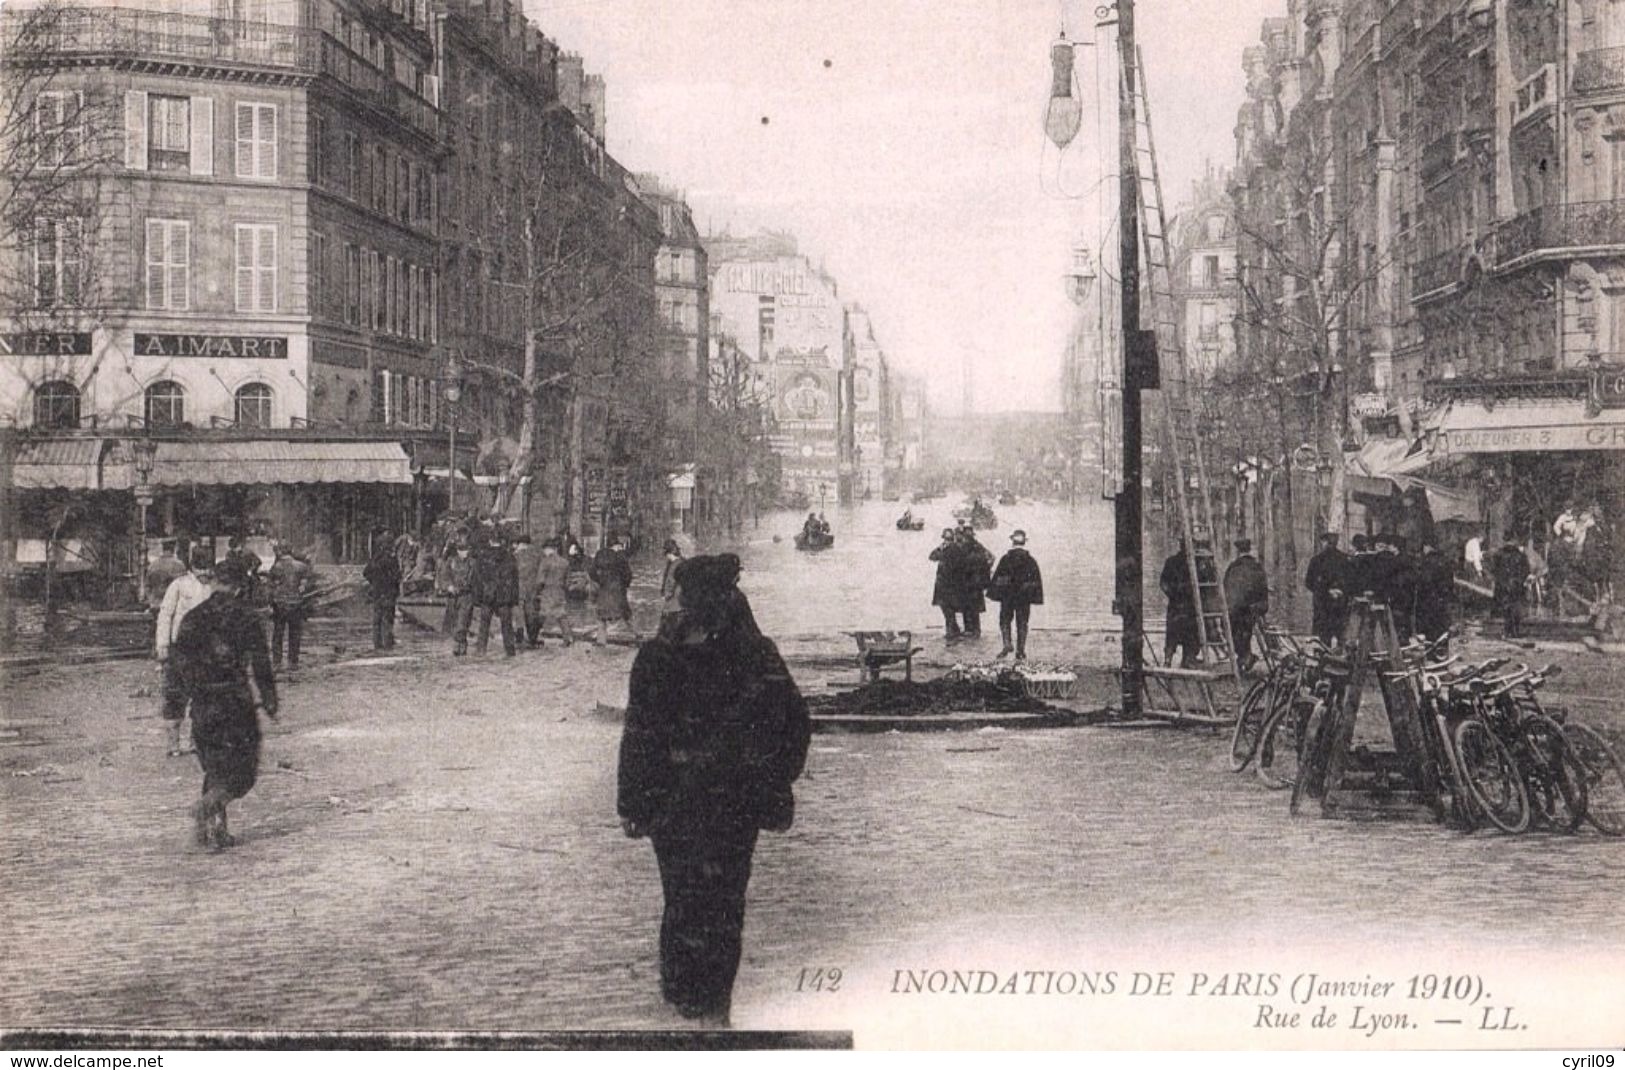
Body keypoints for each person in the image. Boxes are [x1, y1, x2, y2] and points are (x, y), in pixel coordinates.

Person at [617, 554, 811, 1026]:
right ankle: (714, 1010)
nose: (671, 602)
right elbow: (796, 725)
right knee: (725, 901)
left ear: (690, 601)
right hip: (734, 807)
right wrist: (769, 780)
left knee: (684, 898)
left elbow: (640, 735)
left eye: (677, 595)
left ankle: (688, 1002)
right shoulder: (756, 654)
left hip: (675, 806)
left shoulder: (658, 657)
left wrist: (634, 803)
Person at [169, 555, 277, 851]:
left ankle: (214, 833)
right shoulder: (246, 617)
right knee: (243, 771)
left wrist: (174, 707)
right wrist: (269, 699)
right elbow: (261, 663)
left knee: (215, 769)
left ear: (214, 582)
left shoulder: (192, 618)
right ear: (241, 587)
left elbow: (177, 666)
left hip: (203, 704)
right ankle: (209, 806)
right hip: (235, 702)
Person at [154, 545, 215, 757]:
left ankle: (194, 742)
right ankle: (173, 744)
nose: (205, 573)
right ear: (193, 566)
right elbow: (165, 614)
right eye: (201, 568)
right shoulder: (179, 585)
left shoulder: (213, 589)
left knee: (203, 695)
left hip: (205, 651)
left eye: (208, 568)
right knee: (175, 695)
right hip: (180, 649)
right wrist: (162, 644)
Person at [988, 529, 1044, 660]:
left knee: (1005, 620)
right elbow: (1035, 581)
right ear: (1024, 543)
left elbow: (998, 579)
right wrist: (1031, 594)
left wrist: (999, 591)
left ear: (1012, 542)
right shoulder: (1030, 561)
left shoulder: (1005, 559)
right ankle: (1021, 651)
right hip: (1023, 598)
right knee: (1022, 622)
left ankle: (1007, 644)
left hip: (1008, 597)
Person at [265, 542, 314, 670]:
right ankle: (293, 662)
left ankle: (277, 662)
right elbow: (306, 586)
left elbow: (270, 588)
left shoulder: (276, 567)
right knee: (295, 633)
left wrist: (270, 603)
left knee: (278, 634)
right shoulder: (302, 567)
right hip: (296, 603)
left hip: (280, 604)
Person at [1222, 538, 1269, 670]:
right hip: (1255, 607)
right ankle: (1245, 656)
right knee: (1245, 631)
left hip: (1238, 609)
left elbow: (1226, 587)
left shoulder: (1234, 567)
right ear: (1249, 550)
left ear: (1238, 551)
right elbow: (1262, 587)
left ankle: (1245, 656)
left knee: (1231, 629)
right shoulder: (1257, 566)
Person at [472, 535, 520, 657]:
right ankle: (510, 651)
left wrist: (477, 599)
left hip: (487, 596)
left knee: (484, 625)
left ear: (490, 541)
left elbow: (477, 579)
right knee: (507, 625)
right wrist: (514, 599)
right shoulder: (509, 557)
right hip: (504, 596)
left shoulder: (482, 558)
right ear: (502, 541)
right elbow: (514, 580)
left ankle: (481, 650)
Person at [591, 534, 638, 646]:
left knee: (601, 615)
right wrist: (625, 584)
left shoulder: (600, 554)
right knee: (625, 612)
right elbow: (627, 573)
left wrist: (600, 581)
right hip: (618, 588)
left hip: (604, 588)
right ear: (616, 545)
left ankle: (601, 641)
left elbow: (592, 571)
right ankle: (637, 634)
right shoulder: (620, 556)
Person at [1304, 532, 1350, 646]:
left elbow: (1309, 582)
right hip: (1338, 604)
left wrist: (1325, 591)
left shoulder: (1316, 560)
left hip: (1324, 605)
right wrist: (1340, 591)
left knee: (1324, 637)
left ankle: (1324, 661)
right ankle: (1341, 661)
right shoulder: (1345, 559)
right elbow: (1352, 582)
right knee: (1340, 636)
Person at [1159, 543, 1199, 667]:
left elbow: (1163, 583)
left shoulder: (1171, 561)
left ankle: (1169, 659)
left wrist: (1172, 594)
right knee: (1191, 632)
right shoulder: (1196, 563)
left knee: (1173, 632)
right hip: (1190, 603)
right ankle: (1187, 659)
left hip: (1176, 603)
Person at [363, 530, 402, 651]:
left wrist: (374, 581)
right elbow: (396, 576)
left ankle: (377, 644)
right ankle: (387, 644)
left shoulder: (375, 558)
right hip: (388, 592)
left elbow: (365, 572)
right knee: (387, 618)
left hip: (377, 592)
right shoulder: (391, 559)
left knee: (377, 619)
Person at [1414, 540, 1454, 652]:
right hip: (1442, 599)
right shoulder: (1446, 560)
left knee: (1430, 628)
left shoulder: (1427, 562)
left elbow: (1425, 581)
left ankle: (1430, 651)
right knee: (1441, 628)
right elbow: (1450, 582)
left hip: (1429, 600)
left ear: (1427, 546)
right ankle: (1442, 652)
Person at [533, 538, 574, 647]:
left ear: (547, 549)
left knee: (541, 616)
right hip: (559, 592)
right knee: (561, 615)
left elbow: (540, 580)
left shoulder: (545, 562)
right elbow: (567, 581)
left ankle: (534, 638)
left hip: (547, 592)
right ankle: (567, 638)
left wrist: (537, 592)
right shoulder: (565, 562)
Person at [955, 527, 993, 638]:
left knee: (966, 606)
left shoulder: (962, 548)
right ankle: (975, 630)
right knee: (973, 607)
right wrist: (985, 572)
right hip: (976, 582)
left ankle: (970, 630)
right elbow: (991, 558)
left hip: (966, 581)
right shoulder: (979, 547)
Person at [1492, 539, 1531, 638]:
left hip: (1503, 585)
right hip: (1516, 585)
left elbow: (1494, 570)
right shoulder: (1520, 555)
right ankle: (1515, 631)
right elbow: (1526, 570)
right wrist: (1521, 580)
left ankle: (1507, 630)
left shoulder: (1499, 554)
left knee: (1506, 609)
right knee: (1516, 608)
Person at [444, 540, 477, 656]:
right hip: (452, 597)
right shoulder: (451, 561)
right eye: (463, 550)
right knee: (454, 620)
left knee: (463, 621)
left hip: (466, 596)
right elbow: (445, 575)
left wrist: (463, 587)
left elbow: (472, 579)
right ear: (458, 551)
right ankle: (460, 645)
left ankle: (459, 646)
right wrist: (448, 586)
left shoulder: (472, 563)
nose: (465, 553)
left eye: (467, 550)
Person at [930, 528, 964, 639]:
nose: (947, 540)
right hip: (943, 582)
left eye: (948, 539)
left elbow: (954, 563)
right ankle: (954, 629)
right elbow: (932, 556)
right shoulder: (943, 548)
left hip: (950, 583)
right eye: (946, 538)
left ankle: (951, 631)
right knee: (945, 607)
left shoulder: (954, 549)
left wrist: (942, 550)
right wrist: (940, 548)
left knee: (948, 608)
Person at [511, 534, 543, 648]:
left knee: (518, 609)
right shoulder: (537, 555)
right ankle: (532, 637)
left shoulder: (515, 556)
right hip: (533, 587)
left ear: (520, 543)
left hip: (518, 586)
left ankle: (519, 633)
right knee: (531, 610)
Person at [146, 540, 187, 617]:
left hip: (156, 605)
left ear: (163, 548)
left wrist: (151, 600)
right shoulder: (179, 565)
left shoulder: (152, 565)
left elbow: (147, 586)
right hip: (173, 606)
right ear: (174, 548)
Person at [223, 534, 263, 602]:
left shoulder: (247, 552)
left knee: (249, 594)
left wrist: (251, 570)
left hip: (248, 577)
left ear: (240, 545)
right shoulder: (229, 554)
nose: (234, 550)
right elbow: (228, 565)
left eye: (235, 548)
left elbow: (258, 562)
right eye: (232, 548)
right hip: (236, 577)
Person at [660, 539, 684, 623]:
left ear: (669, 553)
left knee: (666, 623)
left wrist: (666, 595)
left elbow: (670, 582)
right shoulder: (683, 561)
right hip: (683, 600)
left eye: (666, 554)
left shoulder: (673, 565)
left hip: (673, 601)